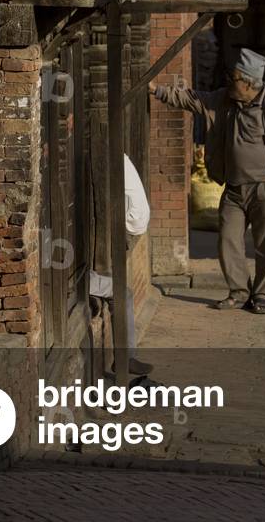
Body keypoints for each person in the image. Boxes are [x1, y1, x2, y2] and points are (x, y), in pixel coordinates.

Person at [149, 48, 265, 315]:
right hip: (234, 188)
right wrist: (157, 91)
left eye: (235, 78)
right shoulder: (223, 100)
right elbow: (193, 100)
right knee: (228, 240)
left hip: (264, 186)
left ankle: (262, 295)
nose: (230, 81)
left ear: (250, 83)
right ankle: (239, 292)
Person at [89, 154, 153, 375]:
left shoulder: (108, 154)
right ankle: (126, 359)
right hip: (71, 278)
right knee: (121, 293)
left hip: (131, 223)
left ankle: (126, 358)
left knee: (121, 291)